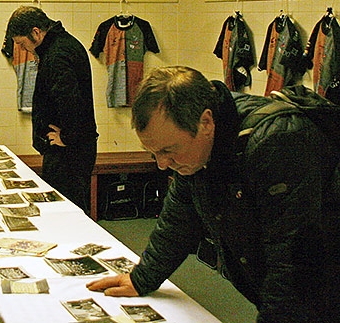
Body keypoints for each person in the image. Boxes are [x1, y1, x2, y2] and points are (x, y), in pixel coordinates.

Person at [87, 66, 340, 321]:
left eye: (168, 150)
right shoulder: (197, 149)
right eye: (153, 153)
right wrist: (141, 279)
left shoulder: (277, 143)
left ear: (206, 122)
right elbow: (179, 219)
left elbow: (294, 265)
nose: (162, 164)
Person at [5, 6, 98, 213]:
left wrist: (68, 137)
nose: (21, 49)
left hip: (68, 152)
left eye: (22, 43)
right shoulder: (61, 45)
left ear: (36, 32)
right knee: (69, 207)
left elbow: (69, 99)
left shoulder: (57, 54)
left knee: (67, 210)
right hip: (75, 147)